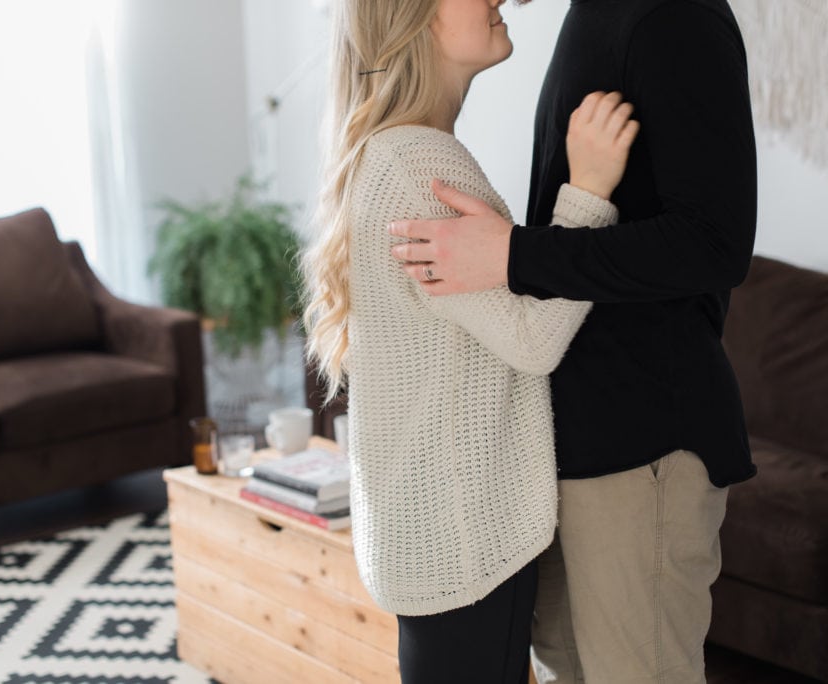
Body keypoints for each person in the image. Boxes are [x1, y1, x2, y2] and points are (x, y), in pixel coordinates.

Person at [388, 0, 759, 682]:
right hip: (569, 441)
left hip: (643, 442)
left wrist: (514, 256)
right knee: (567, 666)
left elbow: (716, 245)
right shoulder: (593, 15)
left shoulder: (673, 16)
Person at [300, 0, 638, 681]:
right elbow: (533, 339)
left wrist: (513, 251)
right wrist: (589, 193)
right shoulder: (421, 163)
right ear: (414, 19)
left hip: (430, 538)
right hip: (461, 538)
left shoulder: (391, 153)